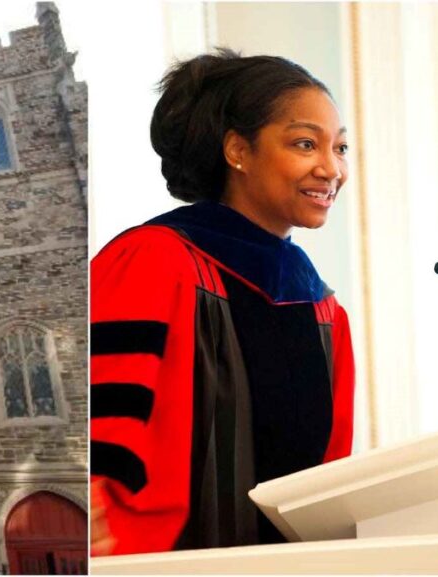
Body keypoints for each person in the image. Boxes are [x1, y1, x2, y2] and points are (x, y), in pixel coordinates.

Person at [90, 48, 355, 556]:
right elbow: (101, 445)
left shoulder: (323, 310)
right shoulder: (152, 263)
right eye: (305, 144)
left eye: (340, 149)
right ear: (238, 150)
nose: (331, 169)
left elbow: (330, 478)